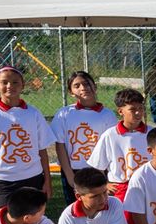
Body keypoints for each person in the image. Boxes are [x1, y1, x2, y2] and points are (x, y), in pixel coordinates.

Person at [0, 64, 54, 207]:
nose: (10, 86)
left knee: (35, 221)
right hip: (2, 179)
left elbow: (42, 150)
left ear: (23, 85)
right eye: (4, 82)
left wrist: (47, 181)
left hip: (34, 177)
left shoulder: (33, 113)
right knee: (8, 223)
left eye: (15, 82)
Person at [88, 88, 152, 224]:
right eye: (133, 109)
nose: (139, 113)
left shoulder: (152, 133)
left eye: (141, 108)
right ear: (120, 111)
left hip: (149, 186)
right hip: (123, 188)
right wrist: (106, 184)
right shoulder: (110, 135)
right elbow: (96, 166)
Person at [50, 71, 117, 206]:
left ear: (95, 86)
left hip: (99, 171)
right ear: (70, 92)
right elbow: (60, 145)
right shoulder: (64, 114)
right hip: (73, 170)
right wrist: (69, 176)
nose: (83, 88)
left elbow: (111, 148)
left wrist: (105, 177)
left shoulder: (108, 115)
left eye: (86, 83)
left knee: (100, 208)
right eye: (77, 85)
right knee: (76, 209)